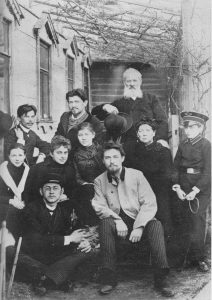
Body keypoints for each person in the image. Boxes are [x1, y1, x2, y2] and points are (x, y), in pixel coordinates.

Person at [92, 141, 174, 297]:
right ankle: (109, 278)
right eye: (107, 158)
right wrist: (116, 219)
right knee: (104, 222)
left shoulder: (136, 175)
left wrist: (140, 226)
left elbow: (149, 202)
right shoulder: (99, 180)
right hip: (116, 226)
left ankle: (161, 279)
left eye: (115, 157)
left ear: (122, 158)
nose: (112, 161)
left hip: (138, 221)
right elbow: (99, 206)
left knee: (155, 224)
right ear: (103, 161)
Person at [13, 173, 95, 296]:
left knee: (89, 251)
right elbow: (35, 240)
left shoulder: (67, 208)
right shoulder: (31, 209)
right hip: (36, 255)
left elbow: (77, 230)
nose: (52, 192)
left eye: (55, 188)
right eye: (47, 188)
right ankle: (57, 277)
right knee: (11, 252)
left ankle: (44, 278)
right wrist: (70, 238)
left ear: (61, 192)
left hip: (58, 255)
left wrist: (84, 241)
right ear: (41, 191)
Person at [172, 112, 211, 272]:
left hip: (200, 189)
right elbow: (175, 168)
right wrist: (177, 187)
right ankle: (186, 258)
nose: (187, 130)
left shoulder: (206, 145)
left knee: (197, 222)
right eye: (185, 127)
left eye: (191, 127)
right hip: (183, 187)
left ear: (200, 128)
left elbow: (209, 172)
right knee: (184, 222)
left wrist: (195, 190)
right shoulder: (182, 145)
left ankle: (200, 258)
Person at [92, 68, 168, 147]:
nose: (132, 84)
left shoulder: (151, 99)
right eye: (128, 81)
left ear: (140, 82)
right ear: (124, 83)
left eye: (135, 80)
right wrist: (105, 106)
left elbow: (163, 121)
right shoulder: (119, 103)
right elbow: (95, 113)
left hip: (148, 143)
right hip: (127, 144)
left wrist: (160, 139)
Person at [124, 119, 173, 239]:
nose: (144, 133)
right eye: (141, 131)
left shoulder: (163, 151)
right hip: (138, 191)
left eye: (147, 130)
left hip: (158, 190)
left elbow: (167, 175)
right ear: (137, 134)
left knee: (162, 219)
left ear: (154, 133)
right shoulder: (132, 151)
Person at [23, 135, 76, 203]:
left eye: (65, 153)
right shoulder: (37, 169)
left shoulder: (69, 170)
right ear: (51, 153)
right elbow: (27, 195)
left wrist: (66, 196)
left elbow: (73, 193)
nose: (63, 156)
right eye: (59, 153)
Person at [73, 122, 105, 225]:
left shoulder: (101, 150)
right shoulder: (76, 154)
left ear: (93, 135)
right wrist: (84, 184)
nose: (83, 138)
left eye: (86, 134)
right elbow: (76, 174)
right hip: (86, 187)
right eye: (80, 135)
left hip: (103, 185)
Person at [55, 89, 103, 154]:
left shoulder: (93, 122)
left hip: (81, 159)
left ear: (85, 103)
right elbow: (57, 137)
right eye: (70, 102)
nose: (73, 105)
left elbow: (96, 148)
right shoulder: (65, 116)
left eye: (76, 102)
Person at [0, 143, 29, 239]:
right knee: (10, 212)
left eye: (20, 155)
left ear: (25, 156)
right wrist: (11, 201)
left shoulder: (28, 171)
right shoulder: (3, 170)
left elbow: (31, 192)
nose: (17, 159)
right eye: (14, 155)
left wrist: (24, 202)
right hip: (6, 205)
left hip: (23, 204)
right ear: (8, 156)